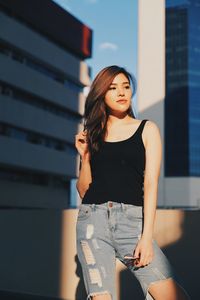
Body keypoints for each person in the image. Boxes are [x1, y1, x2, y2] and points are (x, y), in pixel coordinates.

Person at [75, 65, 190, 300]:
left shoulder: (147, 129)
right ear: (101, 95)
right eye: (113, 88)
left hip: (133, 225)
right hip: (92, 223)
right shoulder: (93, 134)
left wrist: (146, 238)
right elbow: (84, 190)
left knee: (173, 296)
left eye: (126, 87)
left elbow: (150, 184)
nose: (121, 93)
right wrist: (85, 157)